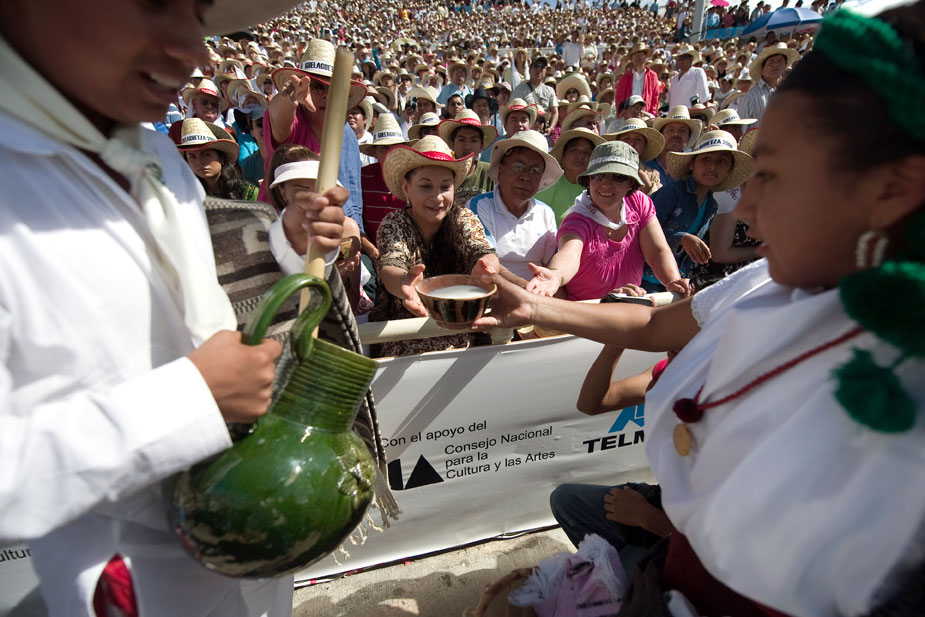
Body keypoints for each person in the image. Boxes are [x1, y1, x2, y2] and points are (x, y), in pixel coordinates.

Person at [476, 5, 924, 615]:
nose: (746, 210)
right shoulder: (763, 282)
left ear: (891, 190)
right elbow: (653, 322)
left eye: (776, 176)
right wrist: (537, 306)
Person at [0, 0, 349, 615]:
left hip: (248, 540)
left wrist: (288, 245)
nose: (193, 52)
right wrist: (193, 400)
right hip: (140, 584)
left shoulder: (156, 155)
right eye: (155, 4)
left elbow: (186, 290)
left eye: (198, 11)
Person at [370, 136, 501, 357]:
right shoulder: (394, 223)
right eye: (426, 186)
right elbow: (391, 263)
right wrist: (404, 283)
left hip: (459, 332)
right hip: (405, 336)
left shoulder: (464, 218)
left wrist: (486, 267)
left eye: (445, 186)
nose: (437, 197)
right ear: (406, 188)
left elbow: (481, 250)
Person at [526, 141, 689, 301]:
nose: (606, 185)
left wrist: (674, 281)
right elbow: (569, 254)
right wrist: (555, 276)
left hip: (630, 308)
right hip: (584, 314)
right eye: (598, 176)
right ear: (588, 181)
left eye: (618, 177)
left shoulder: (639, 203)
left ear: (631, 183)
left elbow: (657, 251)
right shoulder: (577, 221)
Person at [264, 37, 368, 233]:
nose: (326, 95)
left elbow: (350, 193)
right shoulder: (294, 118)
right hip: (277, 228)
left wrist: (355, 234)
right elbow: (278, 115)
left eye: (333, 88)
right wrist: (290, 96)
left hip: (324, 230)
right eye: (317, 87)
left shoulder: (345, 130)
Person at [642, 130, 753, 291]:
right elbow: (642, 232)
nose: (712, 166)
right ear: (691, 164)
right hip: (645, 278)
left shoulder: (711, 205)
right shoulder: (672, 192)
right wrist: (681, 238)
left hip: (677, 281)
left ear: (729, 170)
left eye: (722, 161)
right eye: (706, 159)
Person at [468, 130, 562, 282]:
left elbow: (550, 265)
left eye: (535, 171)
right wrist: (526, 290)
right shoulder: (479, 206)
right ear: (501, 170)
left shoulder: (546, 213)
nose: (525, 176)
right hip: (492, 290)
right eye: (518, 166)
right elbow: (486, 264)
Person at [360, 113, 410, 249]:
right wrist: (370, 249)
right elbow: (357, 219)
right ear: (374, 152)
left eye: (394, 147)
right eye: (384, 148)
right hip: (370, 250)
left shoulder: (411, 178)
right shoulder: (363, 176)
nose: (390, 153)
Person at [536, 127, 606, 223]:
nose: (580, 156)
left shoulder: (597, 188)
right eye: (574, 150)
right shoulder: (550, 183)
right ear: (563, 158)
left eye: (587, 152)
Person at [178, 118, 258, 200]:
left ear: (221, 157)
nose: (199, 161)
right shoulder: (184, 196)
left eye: (206, 155)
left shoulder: (248, 193)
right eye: (192, 157)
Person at [438, 110, 498, 208]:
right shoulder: (444, 173)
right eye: (461, 140)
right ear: (452, 144)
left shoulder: (491, 173)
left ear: (481, 146)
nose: (467, 147)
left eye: (474, 140)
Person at [737, 42, 801, 126]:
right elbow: (742, 128)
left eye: (780, 61)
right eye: (771, 62)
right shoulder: (751, 97)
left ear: (785, 65)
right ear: (762, 70)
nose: (776, 64)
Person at [606, 117, 666, 195]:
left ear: (644, 146)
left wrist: (645, 182)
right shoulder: (606, 168)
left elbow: (660, 199)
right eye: (627, 138)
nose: (632, 143)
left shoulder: (653, 174)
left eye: (638, 139)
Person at [646, 105, 702, 186]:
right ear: (662, 134)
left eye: (682, 131)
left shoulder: (692, 170)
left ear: (688, 137)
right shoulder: (645, 164)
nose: (676, 134)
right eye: (670, 130)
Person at [511, 56, 559, 135]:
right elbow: (514, 110)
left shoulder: (550, 90)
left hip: (543, 131)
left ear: (545, 71)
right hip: (525, 132)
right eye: (536, 66)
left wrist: (550, 128)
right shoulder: (520, 89)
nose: (539, 69)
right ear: (530, 70)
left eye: (542, 67)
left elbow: (555, 112)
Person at [614, 42, 660, 116]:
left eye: (641, 54)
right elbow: (619, 97)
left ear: (645, 56)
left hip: (645, 114)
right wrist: (622, 113)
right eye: (635, 55)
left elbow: (655, 98)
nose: (638, 57)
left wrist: (652, 115)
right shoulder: (625, 77)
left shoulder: (652, 76)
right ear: (632, 58)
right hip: (629, 115)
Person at [667, 44, 709, 110]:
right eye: (679, 59)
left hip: (691, 113)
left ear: (691, 59)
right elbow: (669, 99)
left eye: (684, 58)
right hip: (674, 114)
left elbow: (704, 96)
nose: (681, 61)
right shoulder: (674, 79)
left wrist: (705, 112)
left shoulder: (697, 72)